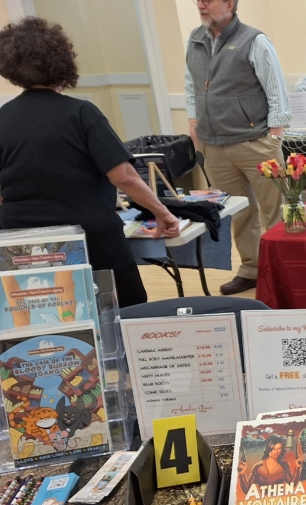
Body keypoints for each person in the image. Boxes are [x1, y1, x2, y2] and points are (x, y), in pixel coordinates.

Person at [0, 17, 179, 308]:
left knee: (48, 319)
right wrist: (163, 213)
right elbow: (125, 177)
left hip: (23, 245)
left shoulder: (3, 118)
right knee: (123, 312)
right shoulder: (81, 114)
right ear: (62, 61)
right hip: (91, 241)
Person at [185, 0, 291, 295]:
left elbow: (275, 88)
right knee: (239, 212)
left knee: (276, 210)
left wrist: (274, 136)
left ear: (229, 3)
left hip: (256, 142)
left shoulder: (254, 40)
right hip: (214, 147)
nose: (201, 4)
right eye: (198, 0)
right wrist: (194, 123)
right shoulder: (195, 40)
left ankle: (282, 274)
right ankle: (252, 269)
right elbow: (191, 85)